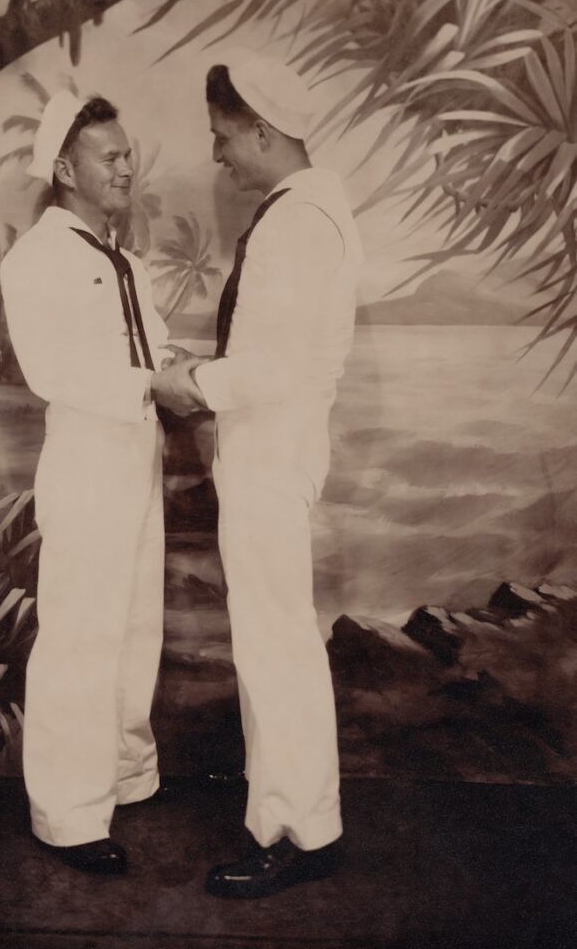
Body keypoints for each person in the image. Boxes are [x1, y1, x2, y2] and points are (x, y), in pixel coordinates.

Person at [152, 51, 362, 898]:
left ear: (263, 131)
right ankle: (281, 809)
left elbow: (275, 369)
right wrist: (215, 370)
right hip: (271, 449)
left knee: (278, 648)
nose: (217, 155)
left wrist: (188, 382)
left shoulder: (297, 222)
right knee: (274, 643)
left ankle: (300, 832)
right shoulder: (306, 209)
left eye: (223, 136)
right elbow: (277, 354)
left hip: (272, 456)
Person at [0, 92, 172, 875]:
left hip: (138, 454)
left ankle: (128, 777)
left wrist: (181, 380)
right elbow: (52, 370)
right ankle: (68, 815)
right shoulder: (36, 258)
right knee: (79, 633)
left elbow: (156, 350)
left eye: (128, 154)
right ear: (65, 169)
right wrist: (155, 387)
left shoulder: (124, 259)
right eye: (110, 156)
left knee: (137, 623)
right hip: (85, 455)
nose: (126, 167)